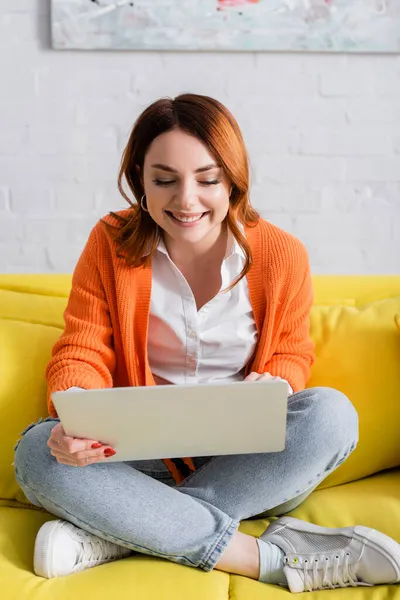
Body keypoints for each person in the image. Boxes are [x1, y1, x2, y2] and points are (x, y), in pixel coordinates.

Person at [14, 94, 400, 590]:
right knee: (37, 452)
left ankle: (117, 535)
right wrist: (76, 417)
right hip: (137, 459)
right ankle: (267, 558)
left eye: (207, 179)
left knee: (332, 414)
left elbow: (290, 352)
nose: (186, 200)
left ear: (232, 178)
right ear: (140, 179)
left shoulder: (282, 254)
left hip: (246, 464)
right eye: (164, 180)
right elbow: (82, 347)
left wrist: (276, 383)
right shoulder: (110, 242)